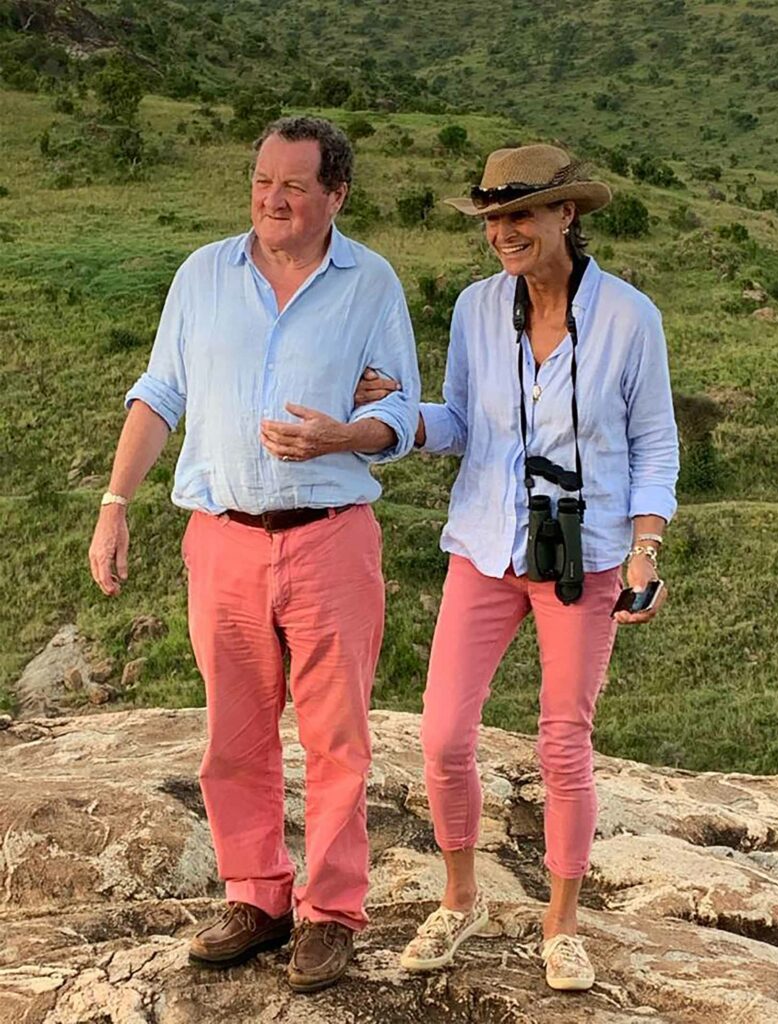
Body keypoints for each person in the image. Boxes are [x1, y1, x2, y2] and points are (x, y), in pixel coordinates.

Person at [88, 116, 420, 994]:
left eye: (293, 186)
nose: (271, 199)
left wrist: (343, 433)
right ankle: (256, 896)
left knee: (336, 738)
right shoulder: (203, 274)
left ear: (335, 195)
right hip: (223, 538)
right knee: (234, 739)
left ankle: (331, 913)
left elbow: (404, 412)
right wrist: (115, 503)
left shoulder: (371, 282)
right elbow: (159, 393)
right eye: (260, 180)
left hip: (331, 537)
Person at [355, 144, 678, 990]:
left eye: (520, 215)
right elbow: (460, 418)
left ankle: (561, 925)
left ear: (565, 215)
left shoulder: (627, 318)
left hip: (585, 551)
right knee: (443, 734)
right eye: (493, 219)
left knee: (563, 742)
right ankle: (460, 899)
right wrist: (394, 418)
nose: (502, 233)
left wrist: (646, 549)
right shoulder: (473, 309)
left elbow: (654, 442)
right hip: (487, 544)